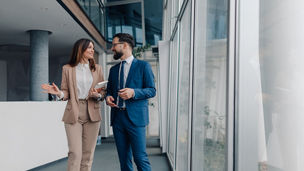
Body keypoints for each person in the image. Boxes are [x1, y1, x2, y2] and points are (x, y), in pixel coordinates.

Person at [41, 38, 105, 171]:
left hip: (92, 112)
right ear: (80, 50)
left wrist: (97, 95)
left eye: (93, 48)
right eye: (89, 48)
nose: (92, 50)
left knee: (88, 155)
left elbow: (102, 92)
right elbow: (66, 92)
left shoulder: (97, 69)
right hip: (74, 111)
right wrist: (58, 93)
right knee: (75, 153)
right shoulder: (67, 69)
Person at [106, 33, 156, 171]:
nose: (112, 48)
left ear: (125, 45)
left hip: (136, 119)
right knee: (124, 159)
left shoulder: (143, 66)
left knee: (140, 158)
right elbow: (109, 90)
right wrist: (108, 97)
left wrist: (133, 92)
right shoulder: (113, 70)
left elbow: (152, 90)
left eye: (115, 45)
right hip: (118, 118)